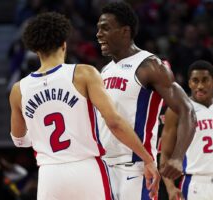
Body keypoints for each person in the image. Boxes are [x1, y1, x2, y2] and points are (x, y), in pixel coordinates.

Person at [9, 12, 160, 200]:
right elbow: (114, 122)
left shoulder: (19, 89)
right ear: (64, 44)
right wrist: (147, 159)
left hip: (50, 174)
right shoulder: (84, 74)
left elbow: (19, 141)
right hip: (86, 169)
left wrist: (40, 133)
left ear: (35, 50)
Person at [96, 2, 196, 199]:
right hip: (103, 165)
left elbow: (187, 111)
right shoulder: (105, 70)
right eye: (98, 29)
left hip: (135, 167)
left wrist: (177, 157)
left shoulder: (150, 66)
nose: (98, 34)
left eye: (105, 28)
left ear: (125, 31)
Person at [160, 60, 213, 200]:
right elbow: (165, 154)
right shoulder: (177, 111)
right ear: (189, 83)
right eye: (195, 81)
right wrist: (170, 188)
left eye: (205, 80)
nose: (200, 86)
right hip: (196, 184)